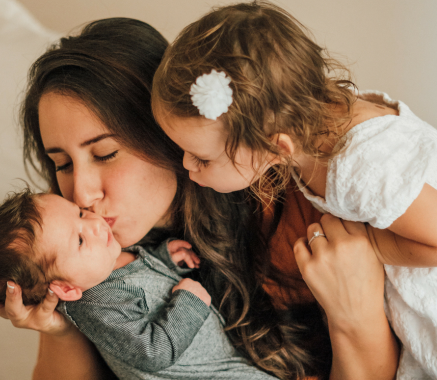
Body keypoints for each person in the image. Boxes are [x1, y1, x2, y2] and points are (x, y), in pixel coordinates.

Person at [0, 17, 399, 380]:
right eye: (62, 164)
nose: (81, 192)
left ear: (167, 132)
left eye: (105, 153)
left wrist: (355, 318)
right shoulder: (90, 261)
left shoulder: (298, 213)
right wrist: (59, 326)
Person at [151, 1, 434, 375]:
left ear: (275, 148)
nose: (186, 166)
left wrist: (371, 246)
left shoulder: (359, 164)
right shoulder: (311, 128)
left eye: (201, 158)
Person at [0, 188, 276, 379]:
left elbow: (140, 280)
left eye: (80, 213)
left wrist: (164, 257)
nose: (94, 223)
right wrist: (189, 302)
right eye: (80, 240)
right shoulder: (97, 304)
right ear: (67, 290)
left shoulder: (105, 266)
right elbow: (153, 351)